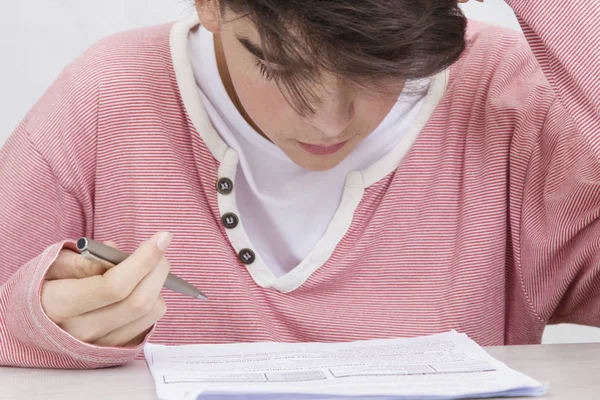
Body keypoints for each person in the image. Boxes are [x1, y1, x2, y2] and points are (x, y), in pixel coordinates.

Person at [0, 0, 599, 369]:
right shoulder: (109, 96)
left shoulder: (511, 105)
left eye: (379, 66)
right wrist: (38, 321)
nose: (328, 120)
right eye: (280, 66)